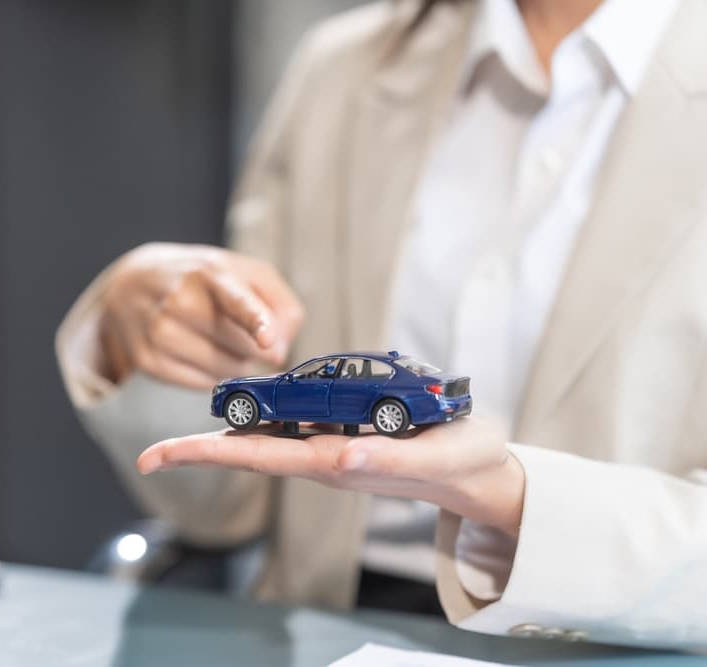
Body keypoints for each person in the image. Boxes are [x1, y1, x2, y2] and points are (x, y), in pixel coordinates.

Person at [57, 0, 707, 649]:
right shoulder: (340, 69)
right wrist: (144, 345)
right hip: (323, 627)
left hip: (616, 639)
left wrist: (516, 498)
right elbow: (224, 502)